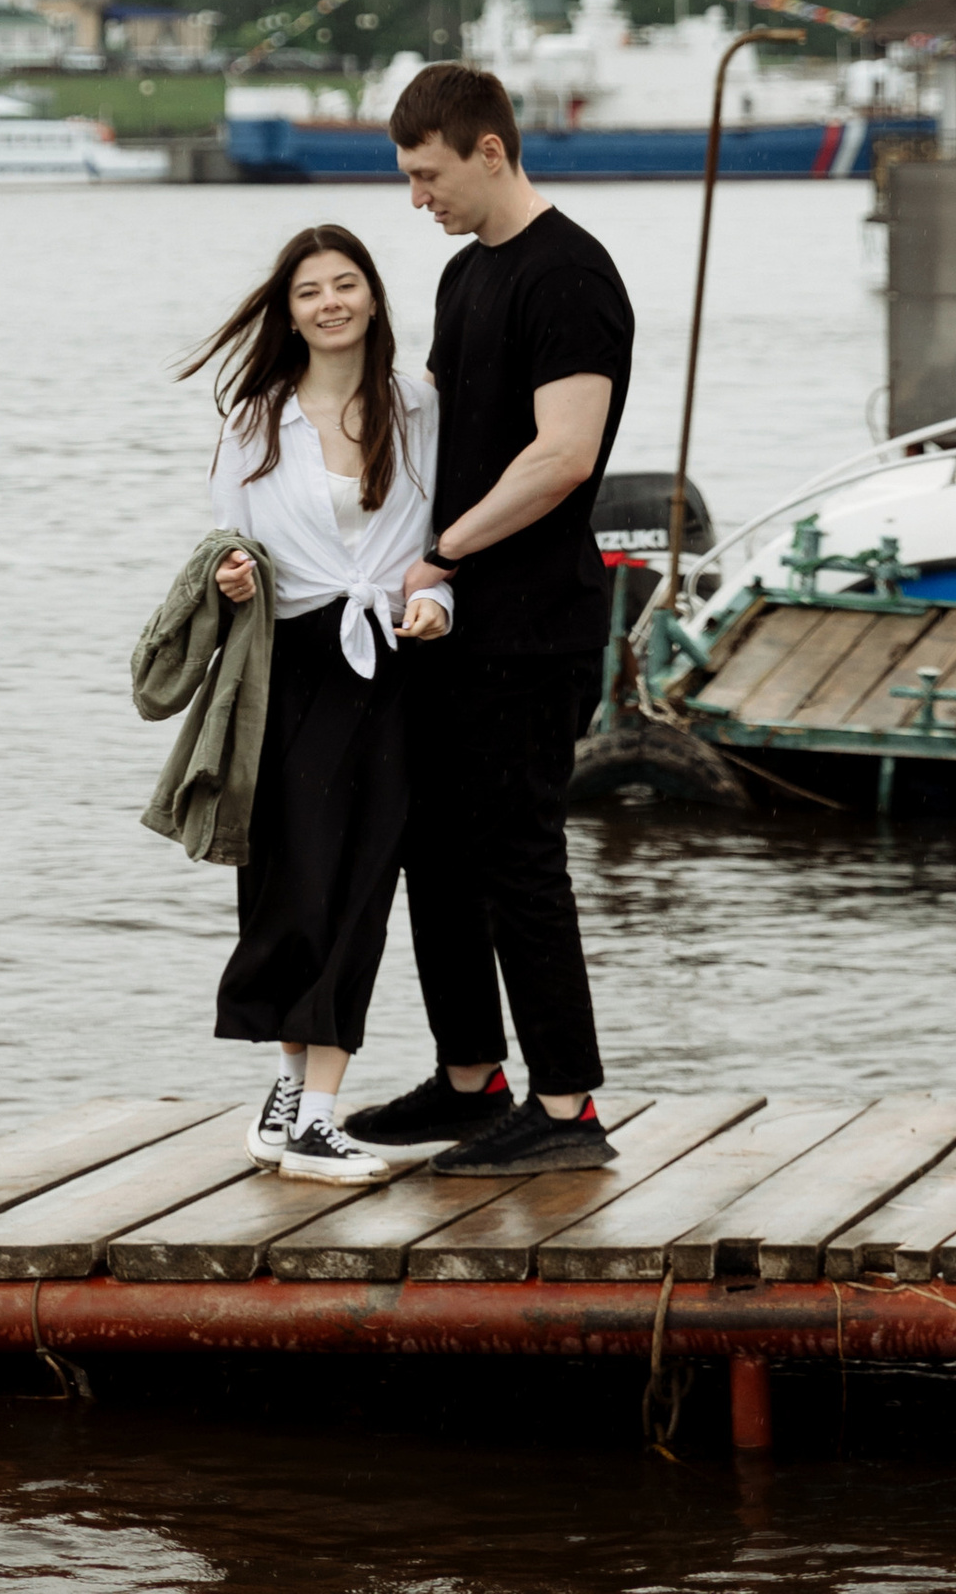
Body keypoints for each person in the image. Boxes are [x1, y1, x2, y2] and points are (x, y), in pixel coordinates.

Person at [343, 62, 634, 1176]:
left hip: (533, 621)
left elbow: (563, 457)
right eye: (408, 178)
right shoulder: (467, 275)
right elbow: (426, 429)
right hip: (451, 617)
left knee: (520, 856)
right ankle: (472, 1080)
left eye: (428, 176)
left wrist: (446, 552)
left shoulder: (570, 275)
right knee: (434, 851)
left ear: (491, 150)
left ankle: (567, 1110)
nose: (417, 198)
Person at [184, 223, 452, 1180]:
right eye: (309, 291)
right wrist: (233, 580)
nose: (330, 302)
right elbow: (228, 546)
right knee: (292, 884)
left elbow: (443, 538)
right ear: (289, 314)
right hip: (290, 670)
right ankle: (293, 1100)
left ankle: (314, 1116)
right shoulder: (256, 421)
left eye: (345, 284)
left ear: (373, 297)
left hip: (392, 666)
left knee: (361, 884)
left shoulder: (419, 406)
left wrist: (439, 602)